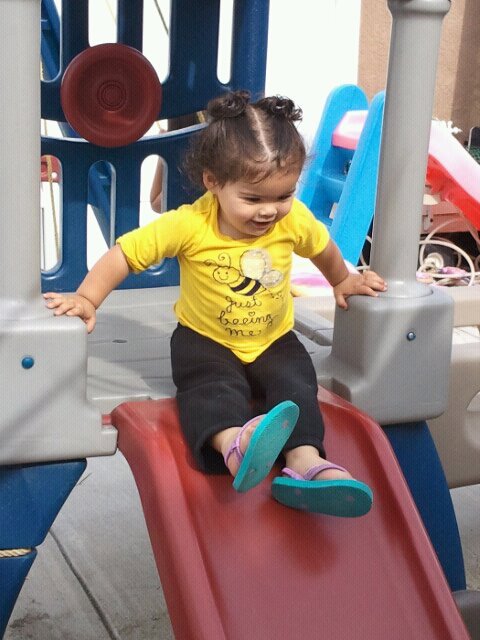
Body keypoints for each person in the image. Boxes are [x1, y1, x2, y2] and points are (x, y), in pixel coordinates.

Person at [44, 91, 387, 517]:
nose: (269, 211)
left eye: (282, 196)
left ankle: (305, 462)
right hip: (205, 340)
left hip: (273, 338)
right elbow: (124, 255)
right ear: (212, 182)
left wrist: (343, 280)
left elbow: (322, 247)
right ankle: (235, 445)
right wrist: (87, 298)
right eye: (253, 199)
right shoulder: (189, 224)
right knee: (209, 388)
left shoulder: (293, 219)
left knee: (297, 384)